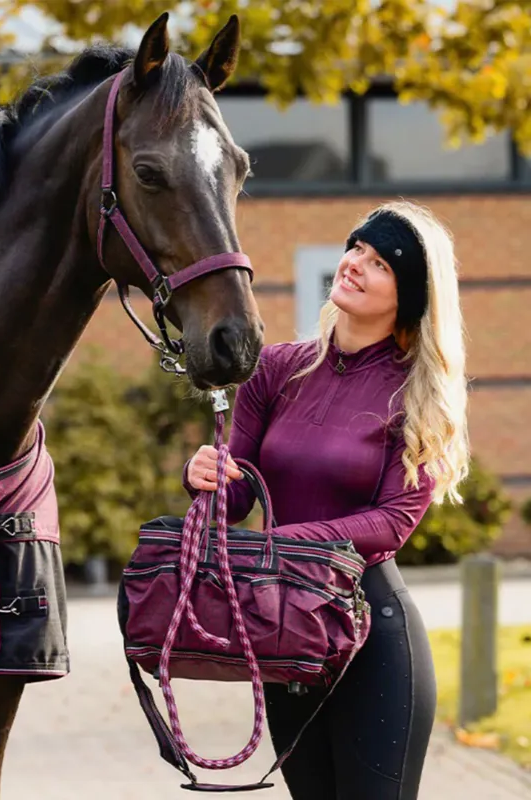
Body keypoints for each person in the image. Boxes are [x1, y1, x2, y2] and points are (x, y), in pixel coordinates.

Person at [183, 200, 470, 799]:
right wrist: (205, 477)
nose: (356, 265)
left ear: (411, 295)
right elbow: (233, 504)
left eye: (381, 263)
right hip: (289, 637)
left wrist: (277, 546)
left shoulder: (418, 393)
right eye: (356, 249)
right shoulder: (277, 370)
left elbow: (390, 524)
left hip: (373, 637)